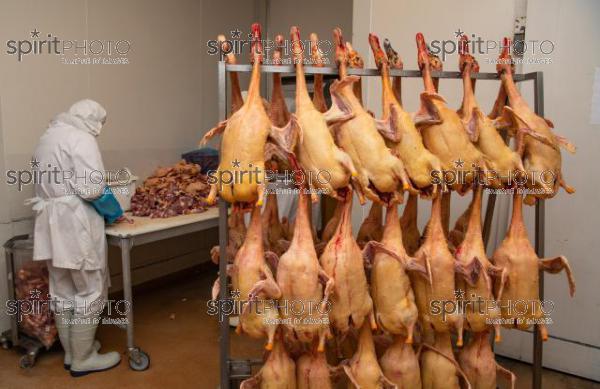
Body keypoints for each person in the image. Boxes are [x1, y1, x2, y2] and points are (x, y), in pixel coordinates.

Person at [28, 99, 124, 377]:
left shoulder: (48, 136)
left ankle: (72, 352)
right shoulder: (81, 138)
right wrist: (113, 210)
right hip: (75, 222)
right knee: (91, 289)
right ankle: (84, 359)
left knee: (63, 289)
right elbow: (92, 188)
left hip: (50, 222)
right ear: (93, 120)